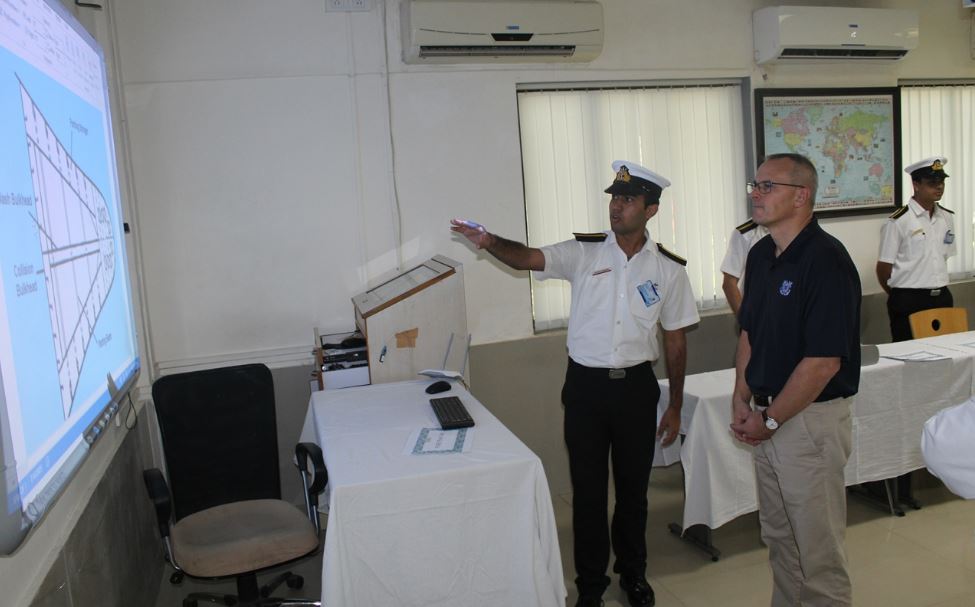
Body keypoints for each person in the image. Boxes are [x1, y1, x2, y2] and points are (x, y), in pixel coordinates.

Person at [451, 160, 699, 607]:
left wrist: (676, 405)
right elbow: (528, 257)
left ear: (651, 210)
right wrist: (489, 241)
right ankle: (590, 585)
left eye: (628, 199)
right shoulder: (584, 252)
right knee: (588, 494)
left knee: (633, 493)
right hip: (587, 389)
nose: (616, 206)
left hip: (637, 390)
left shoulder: (669, 269)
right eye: (614, 198)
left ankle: (633, 574)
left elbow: (675, 341)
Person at [729, 153, 861, 607]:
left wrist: (771, 420)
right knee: (780, 539)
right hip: (768, 415)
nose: (756, 194)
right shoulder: (760, 253)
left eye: (768, 186)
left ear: (801, 196)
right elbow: (750, 332)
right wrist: (741, 398)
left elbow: (822, 363)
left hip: (808, 422)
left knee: (818, 551)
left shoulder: (827, 260)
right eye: (755, 185)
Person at [875, 155, 955, 506]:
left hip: (941, 297)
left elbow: (944, 257)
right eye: (932, 182)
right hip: (908, 300)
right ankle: (905, 464)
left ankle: (943, 452)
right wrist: (901, 297)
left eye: (941, 182)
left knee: (945, 373)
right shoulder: (899, 221)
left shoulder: (947, 217)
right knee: (912, 379)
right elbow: (883, 268)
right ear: (916, 185)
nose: (938, 187)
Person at [720, 218, 769, 315]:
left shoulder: (795, 230)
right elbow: (729, 284)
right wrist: (745, 320)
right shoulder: (746, 233)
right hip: (758, 315)